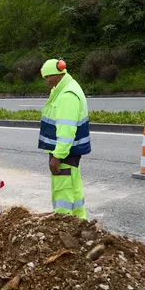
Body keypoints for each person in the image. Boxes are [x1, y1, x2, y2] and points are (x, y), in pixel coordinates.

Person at [38, 59, 91, 220]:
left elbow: (66, 131)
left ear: (59, 74)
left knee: (62, 191)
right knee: (74, 189)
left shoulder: (67, 95)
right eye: (45, 78)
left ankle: (63, 225)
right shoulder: (67, 88)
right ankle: (80, 222)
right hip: (71, 151)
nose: (47, 81)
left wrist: (57, 157)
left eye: (49, 77)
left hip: (64, 152)